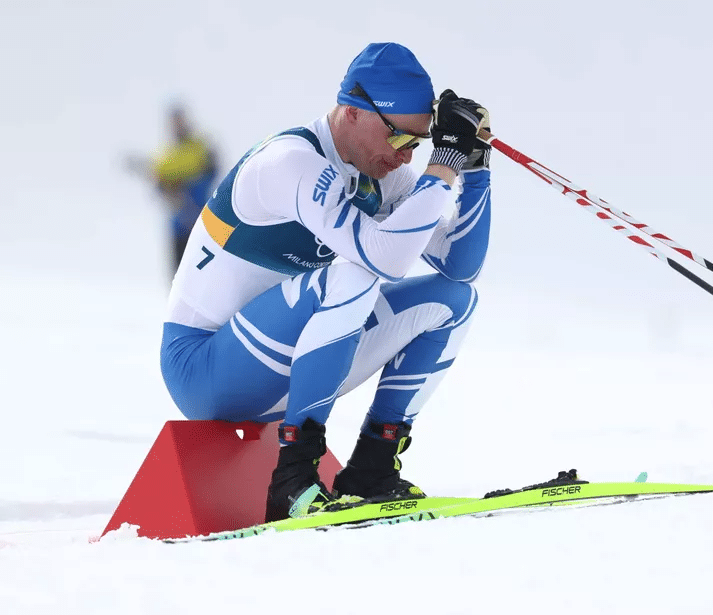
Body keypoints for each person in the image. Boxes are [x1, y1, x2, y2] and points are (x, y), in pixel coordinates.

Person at [159, 42, 492, 523]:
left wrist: (474, 168)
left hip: (280, 368)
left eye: (418, 145)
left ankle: (371, 469)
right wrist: (443, 164)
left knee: (454, 301)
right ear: (354, 111)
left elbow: (459, 267)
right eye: (400, 138)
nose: (405, 158)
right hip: (204, 370)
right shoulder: (289, 162)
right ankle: (292, 478)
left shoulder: (381, 175)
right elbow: (386, 259)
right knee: (356, 273)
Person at [126, 104, 219, 275]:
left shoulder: (200, 147)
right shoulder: (165, 155)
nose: (177, 124)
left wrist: (185, 187)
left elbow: (211, 173)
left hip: (202, 223)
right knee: (179, 275)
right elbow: (159, 185)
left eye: (180, 120)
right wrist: (166, 189)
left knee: (206, 273)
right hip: (179, 226)